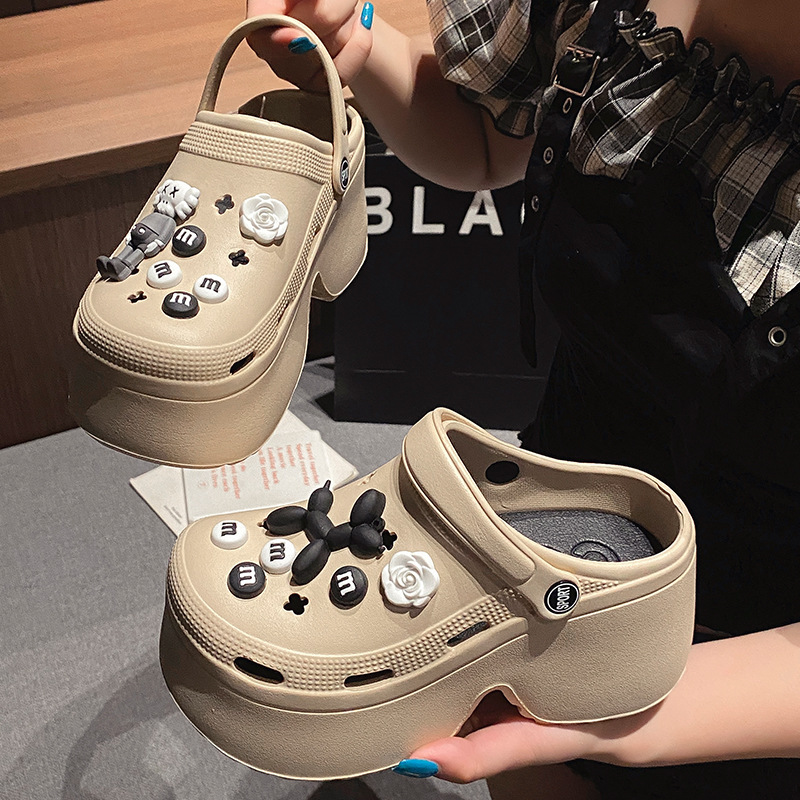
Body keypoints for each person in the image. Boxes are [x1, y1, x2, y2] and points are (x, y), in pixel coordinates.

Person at [246, 0, 800, 796]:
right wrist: (356, 45)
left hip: (756, 707)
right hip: (538, 572)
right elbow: (486, 138)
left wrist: (607, 705)